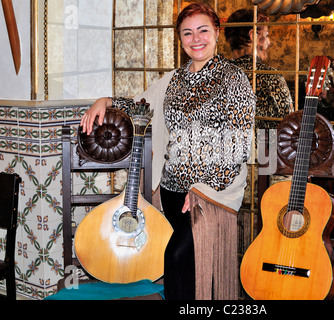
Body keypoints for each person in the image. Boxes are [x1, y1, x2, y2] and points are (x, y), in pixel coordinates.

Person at [80, 3, 256, 300]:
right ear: (180, 39)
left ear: (216, 32)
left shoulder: (233, 79)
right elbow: (140, 106)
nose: (195, 38)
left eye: (203, 30)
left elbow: (238, 146)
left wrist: (206, 189)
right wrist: (105, 100)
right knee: (181, 268)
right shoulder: (174, 79)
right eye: (187, 33)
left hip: (210, 196)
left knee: (176, 256)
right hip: (172, 190)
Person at [224, 8, 293, 129]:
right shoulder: (269, 76)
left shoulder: (218, 74)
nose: (269, 42)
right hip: (264, 146)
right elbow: (289, 124)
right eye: (266, 35)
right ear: (252, 35)